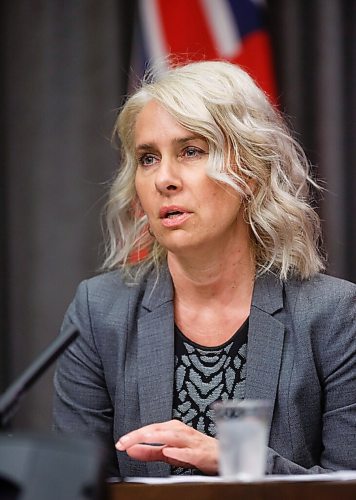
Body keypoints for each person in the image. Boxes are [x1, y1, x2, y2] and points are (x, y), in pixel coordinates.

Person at [53, 60, 356, 478]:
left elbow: (348, 484)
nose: (164, 179)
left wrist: (236, 461)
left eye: (191, 151)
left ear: (249, 171)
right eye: (147, 158)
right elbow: (71, 484)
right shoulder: (99, 311)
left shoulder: (335, 314)